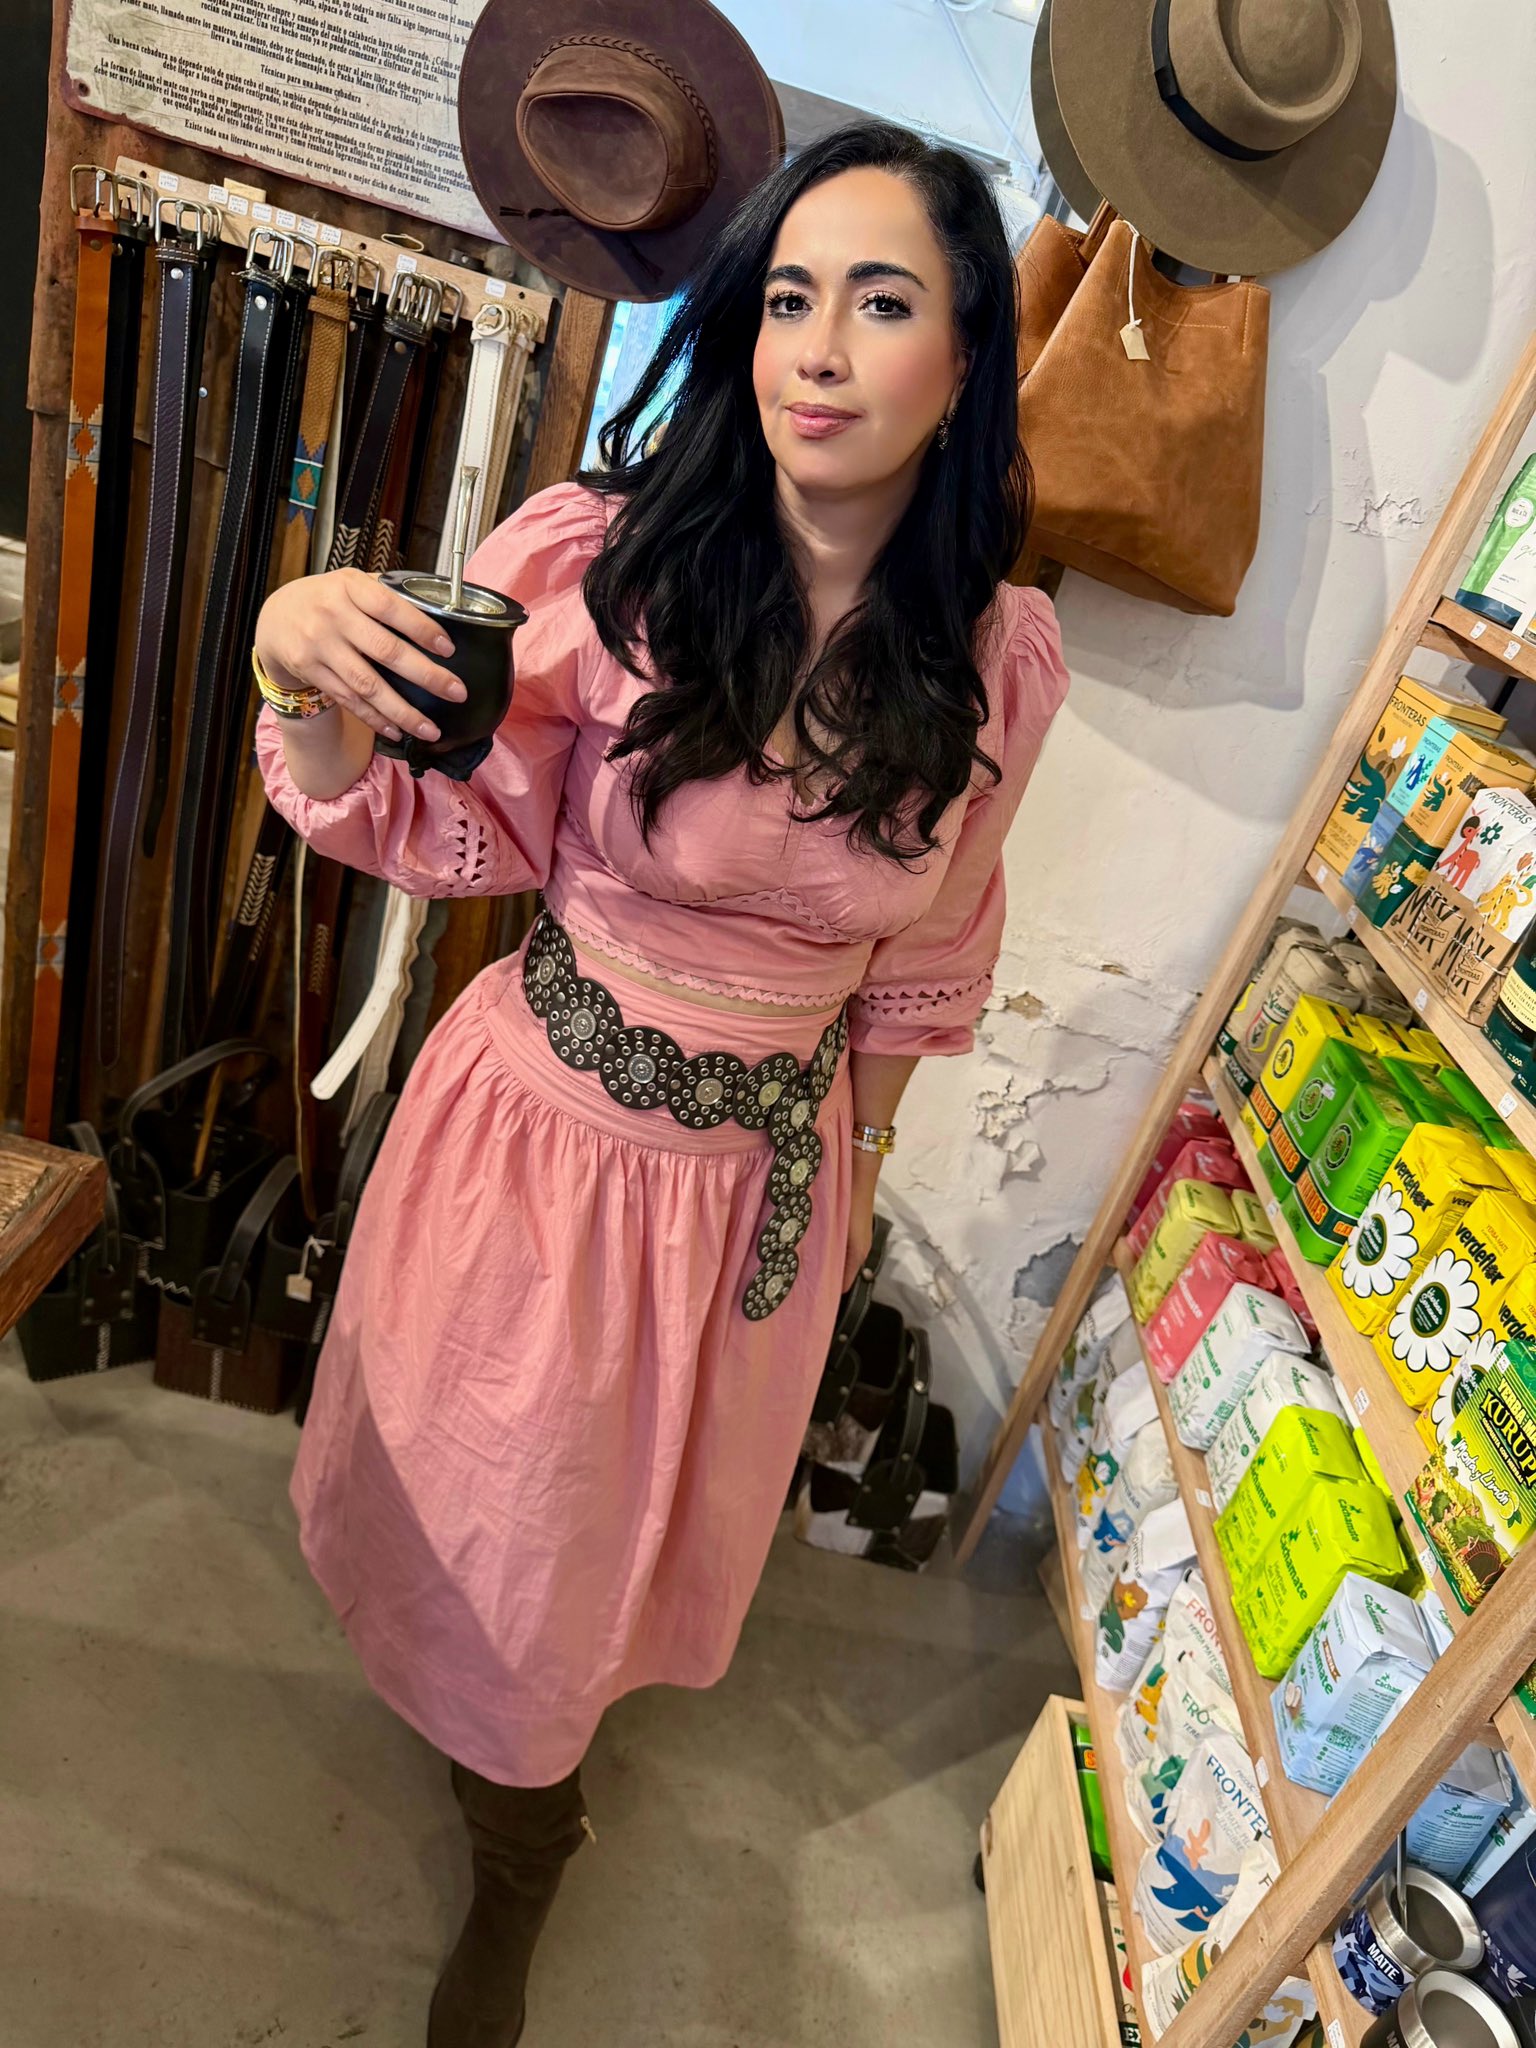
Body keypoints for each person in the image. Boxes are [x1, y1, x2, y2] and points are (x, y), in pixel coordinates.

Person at [252, 119, 1069, 2047]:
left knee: (619, 1551)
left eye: (882, 302)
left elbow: (928, 957)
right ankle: (516, 1860)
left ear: (966, 359)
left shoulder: (1000, 659)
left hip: (757, 1197)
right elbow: (426, 815)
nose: (818, 350)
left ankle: (525, 1785)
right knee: (504, 1532)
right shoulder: (602, 566)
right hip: (543, 1146)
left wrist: (853, 1193)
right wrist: (299, 663)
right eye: (787, 299)